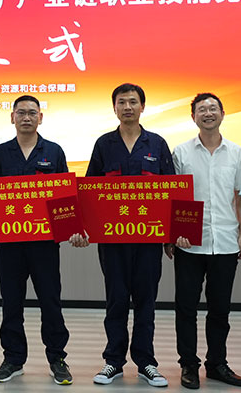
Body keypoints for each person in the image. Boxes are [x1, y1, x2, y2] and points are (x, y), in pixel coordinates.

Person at [85, 83, 174, 387]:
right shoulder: (104, 144)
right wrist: (85, 228)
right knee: (117, 299)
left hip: (148, 240)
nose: (127, 107)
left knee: (146, 301)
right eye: (121, 102)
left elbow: (172, 190)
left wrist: (172, 235)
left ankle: (146, 362)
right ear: (114, 108)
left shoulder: (157, 144)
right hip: (112, 240)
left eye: (133, 102)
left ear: (142, 107)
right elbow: (90, 190)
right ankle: (113, 361)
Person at [0, 94, 72, 385]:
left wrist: (70, 229)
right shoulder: (0, 153)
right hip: (10, 244)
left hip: (45, 244)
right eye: (21, 112)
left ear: (40, 118)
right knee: (11, 302)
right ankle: (13, 359)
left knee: (50, 301)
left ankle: (57, 358)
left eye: (32, 113)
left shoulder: (54, 151)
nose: (26, 117)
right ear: (12, 117)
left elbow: (64, 197)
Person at [167, 93, 241, 389]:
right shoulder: (181, 152)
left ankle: (217, 364)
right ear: (193, 117)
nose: (208, 113)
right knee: (186, 308)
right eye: (202, 109)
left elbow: (240, 197)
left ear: (222, 114)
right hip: (189, 242)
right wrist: (171, 236)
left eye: (213, 108)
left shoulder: (236, 153)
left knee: (220, 309)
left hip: (225, 240)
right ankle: (188, 364)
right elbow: (174, 197)